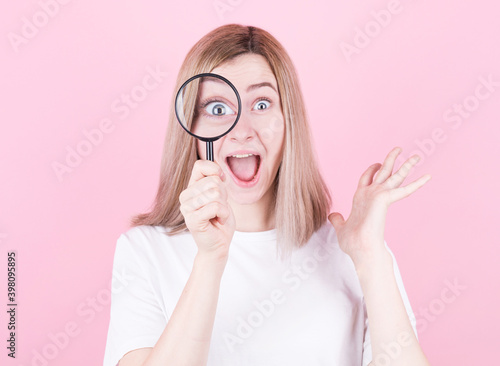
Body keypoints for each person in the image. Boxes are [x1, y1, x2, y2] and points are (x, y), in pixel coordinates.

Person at [103, 24, 431, 366]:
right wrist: (210, 259)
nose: (242, 131)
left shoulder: (355, 250)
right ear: (192, 128)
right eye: (217, 108)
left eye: (261, 103)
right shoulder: (144, 252)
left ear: (289, 120)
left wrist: (370, 258)